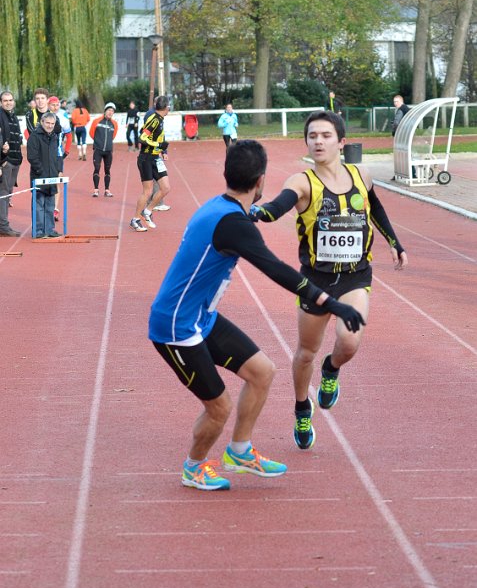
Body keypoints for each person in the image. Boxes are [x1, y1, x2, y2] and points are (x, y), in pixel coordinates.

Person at [148, 139, 364, 491]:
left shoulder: (221, 207)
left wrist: (256, 214)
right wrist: (331, 303)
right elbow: (276, 270)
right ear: (261, 180)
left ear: (228, 174)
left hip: (201, 317)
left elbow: (244, 223)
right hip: (176, 327)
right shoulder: (233, 224)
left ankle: (239, 451)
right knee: (219, 407)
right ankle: (194, 468)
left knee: (262, 372)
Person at [250, 110, 407, 450]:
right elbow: (279, 206)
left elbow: (375, 208)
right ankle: (302, 409)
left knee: (349, 342)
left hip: (355, 276)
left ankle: (332, 369)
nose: (318, 142)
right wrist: (259, 212)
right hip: (315, 281)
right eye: (312, 136)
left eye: (325, 136)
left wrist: (395, 242)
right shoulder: (302, 182)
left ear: (341, 142)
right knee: (306, 352)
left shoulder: (361, 175)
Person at [130, 96, 171, 231]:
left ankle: (147, 211)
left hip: (155, 158)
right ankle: (135, 220)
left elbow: (157, 137)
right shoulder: (154, 119)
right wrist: (157, 145)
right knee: (147, 192)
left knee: (165, 188)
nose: (169, 108)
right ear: (165, 107)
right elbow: (142, 138)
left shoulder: (160, 119)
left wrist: (163, 149)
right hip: (146, 159)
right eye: (169, 106)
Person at [26, 112, 62, 239]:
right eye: (47, 123)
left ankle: (49, 229)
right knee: (38, 206)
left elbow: (58, 155)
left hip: (52, 177)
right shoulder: (34, 136)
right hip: (39, 176)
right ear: (42, 122)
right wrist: (41, 171)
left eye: (52, 123)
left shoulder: (55, 137)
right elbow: (32, 157)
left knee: (50, 205)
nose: (50, 126)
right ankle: (38, 230)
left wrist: (58, 170)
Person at [0, 91, 23, 237]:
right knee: (3, 194)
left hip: (15, 160)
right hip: (5, 161)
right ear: (0, 103)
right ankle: (3, 226)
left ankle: (3, 224)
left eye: (10, 100)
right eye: (5, 100)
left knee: (7, 194)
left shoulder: (13, 116)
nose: (8, 102)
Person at [47, 96, 72, 221]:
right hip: (45, 155)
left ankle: (55, 209)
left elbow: (69, 135)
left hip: (58, 155)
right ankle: (47, 207)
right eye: (52, 105)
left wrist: (66, 150)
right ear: (48, 105)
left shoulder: (63, 118)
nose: (55, 107)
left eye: (57, 104)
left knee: (57, 180)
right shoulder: (44, 118)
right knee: (46, 181)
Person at [89, 102, 118, 197]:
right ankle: (96, 190)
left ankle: (107, 190)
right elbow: (91, 133)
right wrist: (98, 142)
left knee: (107, 170)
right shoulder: (96, 121)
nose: (110, 112)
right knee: (97, 168)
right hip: (98, 149)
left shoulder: (114, 124)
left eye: (112, 111)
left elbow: (113, 136)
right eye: (109, 110)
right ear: (105, 111)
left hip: (108, 151)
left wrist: (107, 144)